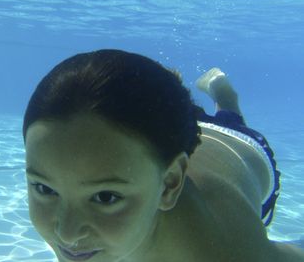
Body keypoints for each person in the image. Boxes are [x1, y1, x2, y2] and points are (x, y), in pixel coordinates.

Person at [22, 49, 304, 262]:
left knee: (230, 119)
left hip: (237, 146)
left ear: (170, 185)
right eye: (44, 188)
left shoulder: (223, 251)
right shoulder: (89, 217)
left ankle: (225, 96)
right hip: (159, 139)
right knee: (166, 119)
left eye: (105, 197)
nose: (67, 233)